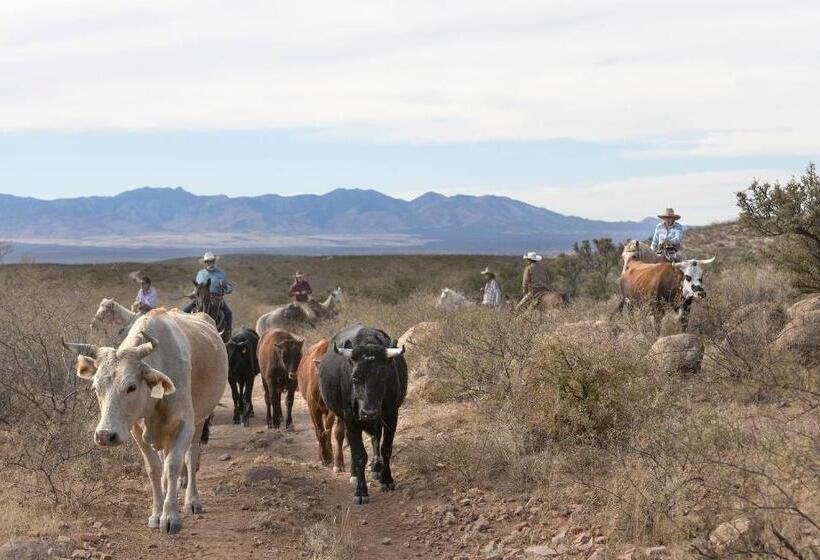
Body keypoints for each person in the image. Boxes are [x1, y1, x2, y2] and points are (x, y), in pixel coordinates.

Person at [182, 251, 233, 332]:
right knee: (185, 310)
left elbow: (230, 288)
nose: (210, 263)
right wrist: (193, 294)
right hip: (201, 298)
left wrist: (225, 286)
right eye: (208, 261)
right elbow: (197, 288)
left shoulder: (221, 273)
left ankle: (228, 333)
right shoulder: (200, 274)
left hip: (216, 297)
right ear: (205, 263)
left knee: (228, 313)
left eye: (212, 261)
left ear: (214, 261)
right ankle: (185, 331)